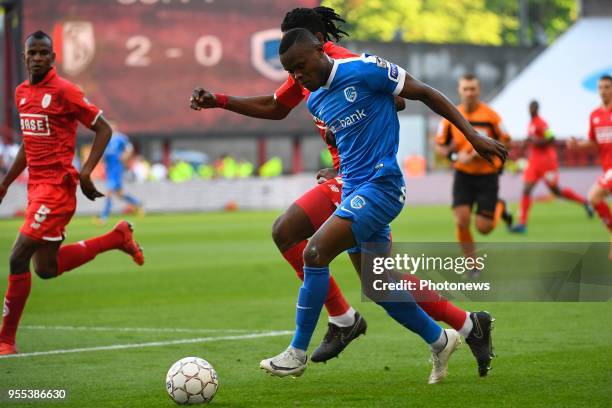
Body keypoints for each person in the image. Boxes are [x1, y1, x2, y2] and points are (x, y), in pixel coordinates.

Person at [191, 7, 496, 377]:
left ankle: (309, 343)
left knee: (311, 248)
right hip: (349, 181)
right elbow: (284, 108)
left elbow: (405, 95)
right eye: (290, 70)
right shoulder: (312, 89)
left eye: (299, 65)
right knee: (381, 284)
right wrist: (221, 101)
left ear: (319, 43)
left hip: (379, 184)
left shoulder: (357, 66)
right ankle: (451, 334)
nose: (296, 76)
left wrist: (472, 135)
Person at [0, 31, 144, 356]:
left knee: (17, 256)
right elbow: (28, 141)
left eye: (43, 53)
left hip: (56, 189)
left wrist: (86, 171)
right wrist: (7, 181)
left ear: (52, 58)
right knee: (45, 269)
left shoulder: (65, 91)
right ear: (25, 57)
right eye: (32, 53)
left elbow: (104, 128)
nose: (37, 58)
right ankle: (116, 238)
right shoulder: (22, 93)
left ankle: (5, 340)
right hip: (36, 188)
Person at [435, 74, 513, 276]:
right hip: (463, 175)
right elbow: (439, 147)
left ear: (479, 91)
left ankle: (500, 206)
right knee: (461, 220)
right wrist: (455, 155)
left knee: (484, 228)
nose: (469, 93)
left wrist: (483, 153)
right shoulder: (451, 116)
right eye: (465, 89)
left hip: (488, 175)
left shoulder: (492, 116)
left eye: (473, 89)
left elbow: (507, 142)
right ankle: (472, 265)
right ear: (460, 91)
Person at [510, 100, 591, 233]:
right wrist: (527, 143)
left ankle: (585, 202)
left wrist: (534, 141)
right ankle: (522, 224)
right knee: (526, 189)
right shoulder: (530, 123)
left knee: (556, 191)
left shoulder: (542, 123)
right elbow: (532, 139)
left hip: (547, 163)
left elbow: (551, 138)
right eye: (530, 108)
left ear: (537, 109)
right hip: (534, 162)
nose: (532, 110)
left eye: (534, 108)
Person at [567, 75, 612, 258]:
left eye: (607, 87)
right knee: (595, 199)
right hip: (607, 167)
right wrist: (578, 145)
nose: (603, 91)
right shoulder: (595, 115)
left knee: (593, 196)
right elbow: (594, 141)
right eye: (600, 87)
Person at [99, 128, 144, 223]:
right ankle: (138, 203)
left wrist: (125, 157)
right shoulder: (104, 138)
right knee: (120, 194)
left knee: (109, 192)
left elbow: (129, 149)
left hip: (117, 169)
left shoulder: (121, 138)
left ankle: (104, 216)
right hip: (109, 170)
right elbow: (102, 153)